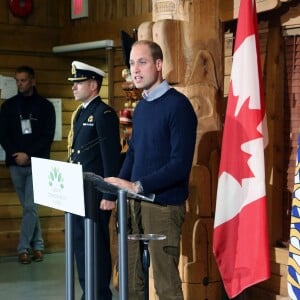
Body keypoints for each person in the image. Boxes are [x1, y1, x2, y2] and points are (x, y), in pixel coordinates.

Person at [105, 40, 198, 299]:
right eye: (132, 63)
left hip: (163, 206)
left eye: (142, 62)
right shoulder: (143, 107)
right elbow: (133, 154)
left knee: (166, 284)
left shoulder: (178, 107)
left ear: (158, 65)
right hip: (134, 205)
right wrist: (112, 192)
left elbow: (180, 165)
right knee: (130, 283)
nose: (135, 69)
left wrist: (138, 185)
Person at [67, 61, 121, 300]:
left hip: (96, 193)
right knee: (81, 245)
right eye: (74, 83)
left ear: (93, 84)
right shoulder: (81, 113)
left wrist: (110, 194)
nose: (74, 87)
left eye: (79, 83)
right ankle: (87, 291)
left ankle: (99, 293)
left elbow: (110, 156)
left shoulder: (103, 113)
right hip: (79, 190)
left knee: (96, 247)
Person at [0, 66, 56, 264]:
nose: (20, 84)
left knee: (30, 206)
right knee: (28, 208)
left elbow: (47, 136)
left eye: (23, 80)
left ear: (32, 81)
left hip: (37, 163)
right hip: (15, 164)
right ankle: (38, 245)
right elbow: (3, 135)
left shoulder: (45, 107)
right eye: (17, 80)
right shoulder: (8, 107)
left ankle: (23, 248)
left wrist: (29, 155)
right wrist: (17, 155)